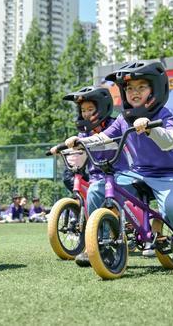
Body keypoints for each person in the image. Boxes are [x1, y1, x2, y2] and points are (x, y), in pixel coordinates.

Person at [64, 60, 173, 274]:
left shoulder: (163, 114)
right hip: (135, 174)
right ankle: (102, 242)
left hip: (167, 175)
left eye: (141, 87)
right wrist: (81, 141)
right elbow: (103, 138)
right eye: (129, 88)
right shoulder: (122, 119)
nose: (134, 92)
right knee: (97, 189)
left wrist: (149, 128)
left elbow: (171, 141)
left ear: (154, 90)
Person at [57, 85, 131, 265]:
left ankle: (106, 240)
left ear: (102, 107)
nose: (86, 114)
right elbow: (78, 149)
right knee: (92, 195)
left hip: (120, 174)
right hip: (98, 176)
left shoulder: (116, 124)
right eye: (83, 110)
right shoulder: (84, 132)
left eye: (90, 109)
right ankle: (97, 244)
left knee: (110, 199)